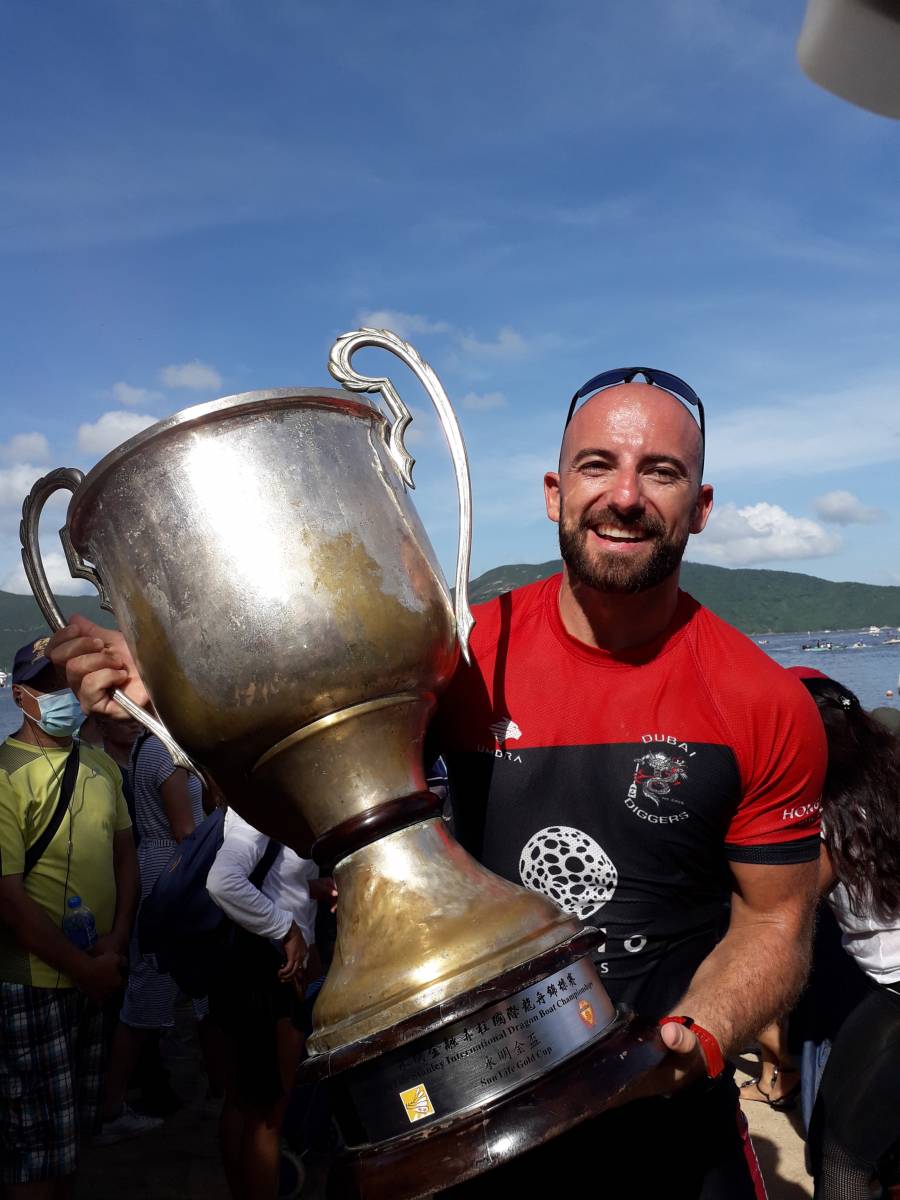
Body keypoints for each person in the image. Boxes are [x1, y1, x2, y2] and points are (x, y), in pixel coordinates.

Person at [46, 368, 828, 1198]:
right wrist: (181, 692)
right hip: (469, 1113)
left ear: (700, 507)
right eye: (598, 465)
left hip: (665, 1119)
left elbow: (775, 919)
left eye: (661, 472)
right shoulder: (462, 652)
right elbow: (313, 818)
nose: (626, 496)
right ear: (555, 493)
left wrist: (697, 1040)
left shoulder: (762, 700)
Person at [0, 637, 138, 1198]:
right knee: (35, 1148)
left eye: (67, 683)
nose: (63, 694)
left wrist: (118, 940)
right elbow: (8, 900)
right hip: (32, 983)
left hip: (97, 974)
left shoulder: (102, 767)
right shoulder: (5, 775)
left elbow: (125, 857)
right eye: (48, 685)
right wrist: (85, 968)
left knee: (74, 1131)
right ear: (20, 696)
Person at [789, 671, 900, 1200]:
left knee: (840, 1153)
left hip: (896, 991)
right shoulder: (891, 778)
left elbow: (788, 901)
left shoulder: (825, 814)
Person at [98, 732, 215, 1140]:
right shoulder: (163, 751)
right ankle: (112, 1108)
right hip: (176, 873)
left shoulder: (157, 746)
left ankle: (218, 1090)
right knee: (147, 997)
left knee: (199, 991)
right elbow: (185, 830)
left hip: (171, 869)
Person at [205, 806, 325, 1200]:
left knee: (242, 1104)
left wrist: (316, 888)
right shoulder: (257, 806)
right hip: (266, 973)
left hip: (247, 966)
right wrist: (287, 929)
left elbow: (278, 880)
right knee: (267, 1117)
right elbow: (223, 881)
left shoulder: (264, 802)